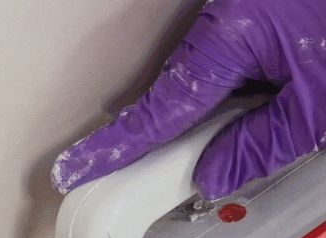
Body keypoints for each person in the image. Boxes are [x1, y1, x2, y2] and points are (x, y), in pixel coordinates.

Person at [51, 0, 326, 201]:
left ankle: (70, 171)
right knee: (162, 127)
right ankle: (70, 171)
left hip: (244, 15)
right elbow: (214, 171)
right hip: (243, 27)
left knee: (155, 121)